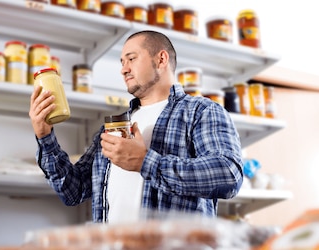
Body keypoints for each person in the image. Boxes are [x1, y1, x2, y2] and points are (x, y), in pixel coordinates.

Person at [29, 30, 243, 224]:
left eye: (131, 59)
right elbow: (73, 191)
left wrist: (144, 162)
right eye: (122, 62)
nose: (124, 69)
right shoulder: (114, 127)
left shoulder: (201, 111)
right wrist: (44, 136)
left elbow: (228, 175)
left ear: (161, 59)